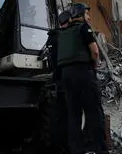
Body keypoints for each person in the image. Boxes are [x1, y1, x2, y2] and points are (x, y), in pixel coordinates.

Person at [57, 2, 109, 154]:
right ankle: (100, 149)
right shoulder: (83, 28)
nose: (89, 16)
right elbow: (95, 52)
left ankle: (76, 150)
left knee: (74, 115)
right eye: (87, 13)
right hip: (82, 73)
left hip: (66, 75)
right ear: (80, 15)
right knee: (94, 112)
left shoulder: (63, 33)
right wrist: (96, 63)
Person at [43, 10, 72, 153]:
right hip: (64, 80)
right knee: (66, 116)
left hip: (56, 79)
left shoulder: (51, 39)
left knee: (59, 116)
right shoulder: (64, 38)